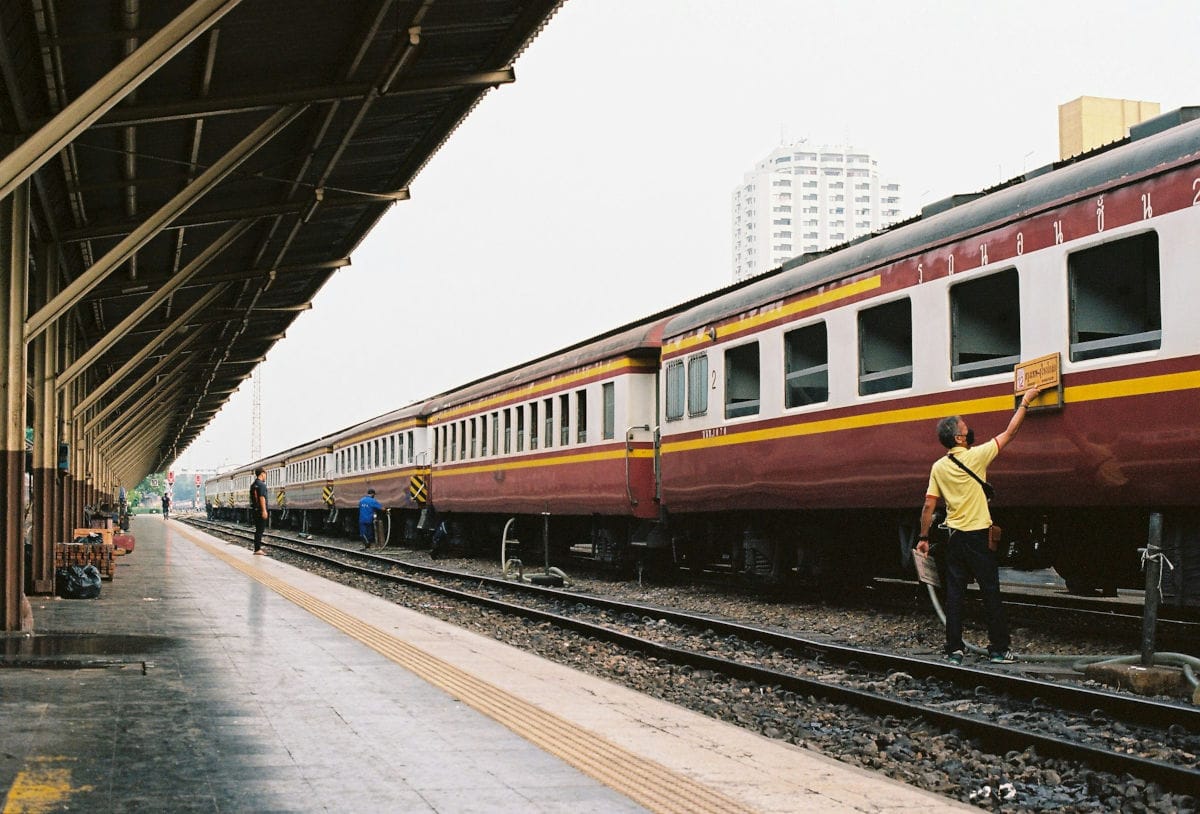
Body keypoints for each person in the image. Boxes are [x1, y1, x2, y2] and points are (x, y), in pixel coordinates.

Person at [915, 386, 1041, 665]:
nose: (969, 430)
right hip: (978, 539)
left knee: (955, 595)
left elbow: (928, 506)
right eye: (965, 427)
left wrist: (923, 536)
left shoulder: (938, 467)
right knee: (990, 592)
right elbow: (1010, 432)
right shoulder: (977, 456)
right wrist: (1025, 403)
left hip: (954, 538)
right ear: (959, 437)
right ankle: (998, 650)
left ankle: (954, 650)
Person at [250, 467, 269, 555]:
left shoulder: (253, 484)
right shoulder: (261, 485)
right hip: (260, 510)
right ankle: (257, 549)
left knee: (258, 530)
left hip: (255, 509)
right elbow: (262, 498)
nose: (266, 476)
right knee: (260, 530)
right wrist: (264, 510)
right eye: (265, 474)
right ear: (262, 474)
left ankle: (257, 548)